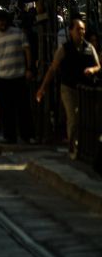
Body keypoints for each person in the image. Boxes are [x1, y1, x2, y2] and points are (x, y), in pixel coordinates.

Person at [36, 16, 100, 158]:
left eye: (83, 29)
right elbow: (53, 69)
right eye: (78, 29)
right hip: (68, 88)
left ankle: (85, 147)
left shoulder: (89, 48)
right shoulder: (64, 49)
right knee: (73, 119)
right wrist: (42, 88)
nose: (81, 32)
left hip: (85, 89)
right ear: (71, 31)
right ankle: (73, 149)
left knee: (86, 119)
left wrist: (92, 70)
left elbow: (98, 65)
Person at [0, 9, 34, 144]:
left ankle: (26, 135)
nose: (1, 23)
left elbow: (27, 50)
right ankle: (9, 136)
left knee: (23, 108)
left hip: (19, 76)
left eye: (3, 20)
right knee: (6, 110)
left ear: (7, 20)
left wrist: (29, 68)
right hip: (3, 79)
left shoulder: (18, 33)